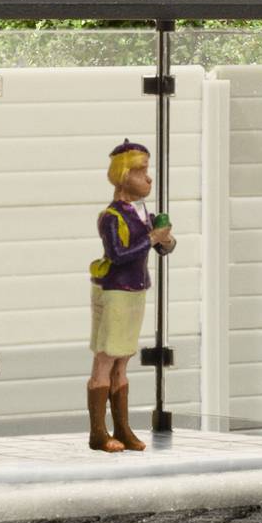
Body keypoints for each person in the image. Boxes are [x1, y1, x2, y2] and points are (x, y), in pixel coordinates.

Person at [88, 140, 175, 452]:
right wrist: (152, 238)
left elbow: (163, 248)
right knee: (106, 358)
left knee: (122, 360)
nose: (148, 178)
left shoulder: (143, 214)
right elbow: (119, 254)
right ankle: (98, 432)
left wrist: (164, 240)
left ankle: (122, 428)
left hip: (135, 291)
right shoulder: (112, 216)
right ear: (123, 175)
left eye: (147, 170)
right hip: (116, 292)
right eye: (140, 171)